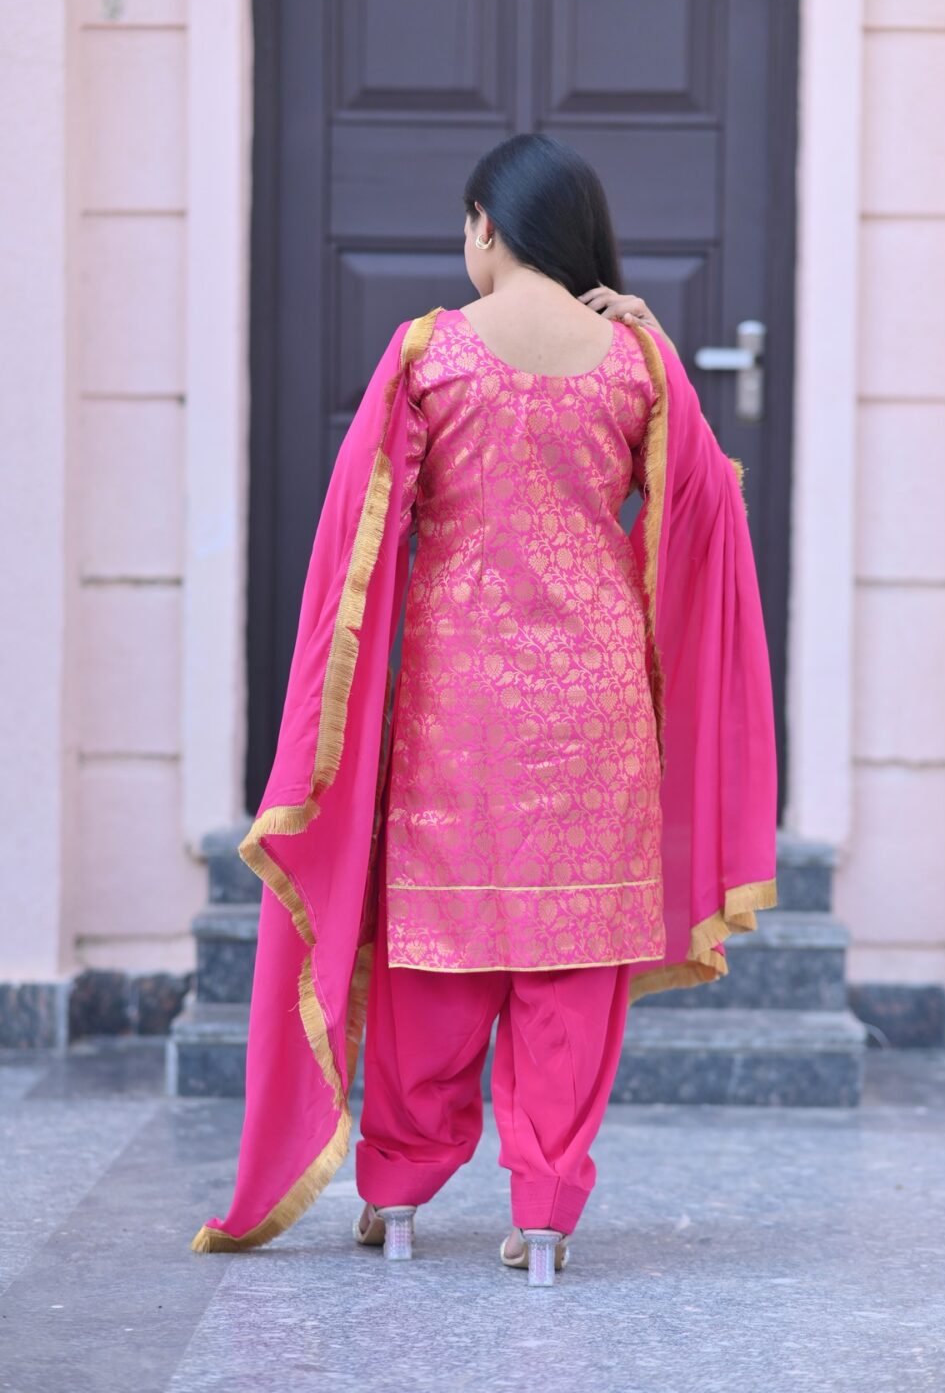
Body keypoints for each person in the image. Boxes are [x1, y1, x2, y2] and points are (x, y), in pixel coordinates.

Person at [189, 135, 778, 1289]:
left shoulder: (429, 349)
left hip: (457, 705)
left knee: (438, 956)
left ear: (485, 227)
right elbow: (706, 507)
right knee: (572, 963)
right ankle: (545, 1214)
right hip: (596, 711)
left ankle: (399, 1196)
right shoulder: (636, 361)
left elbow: (358, 536)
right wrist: (658, 346)